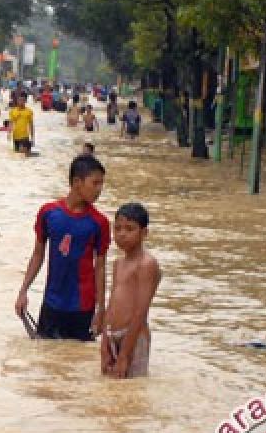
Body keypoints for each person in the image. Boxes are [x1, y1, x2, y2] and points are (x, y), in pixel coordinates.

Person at [14, 155, 110, 341]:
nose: (99, 190)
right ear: (76, 182)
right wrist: (23, 291)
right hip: (52, 303)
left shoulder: (100, 223)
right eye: (95, 183)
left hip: (83, 307)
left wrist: (101, 309)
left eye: (101, 184)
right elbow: (38, 255)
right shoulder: (48, 213)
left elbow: (100, 267)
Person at [101, 203, 161, 378]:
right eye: (117, 228)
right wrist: (104, 343)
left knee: (132, 391)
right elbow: (111, 303)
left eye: (130, 229)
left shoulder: (146, 264)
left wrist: (124, 354)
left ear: (144, 233)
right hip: (113, 334)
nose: (122, 234)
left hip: (134, 337)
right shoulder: (118, 263)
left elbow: (140, 312)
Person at [9, 91, 35, 156]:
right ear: (17, 101)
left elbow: (31, 125)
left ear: (25, 101)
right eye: (19, 100)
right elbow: (11, 123)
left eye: (23, 100)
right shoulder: (13, 111)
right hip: (15, 136)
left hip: (25, 136)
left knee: (25, 154)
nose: (21, 102)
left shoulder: (29, 111)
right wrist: (9, 133)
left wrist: (32, 138)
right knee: (17, 153)